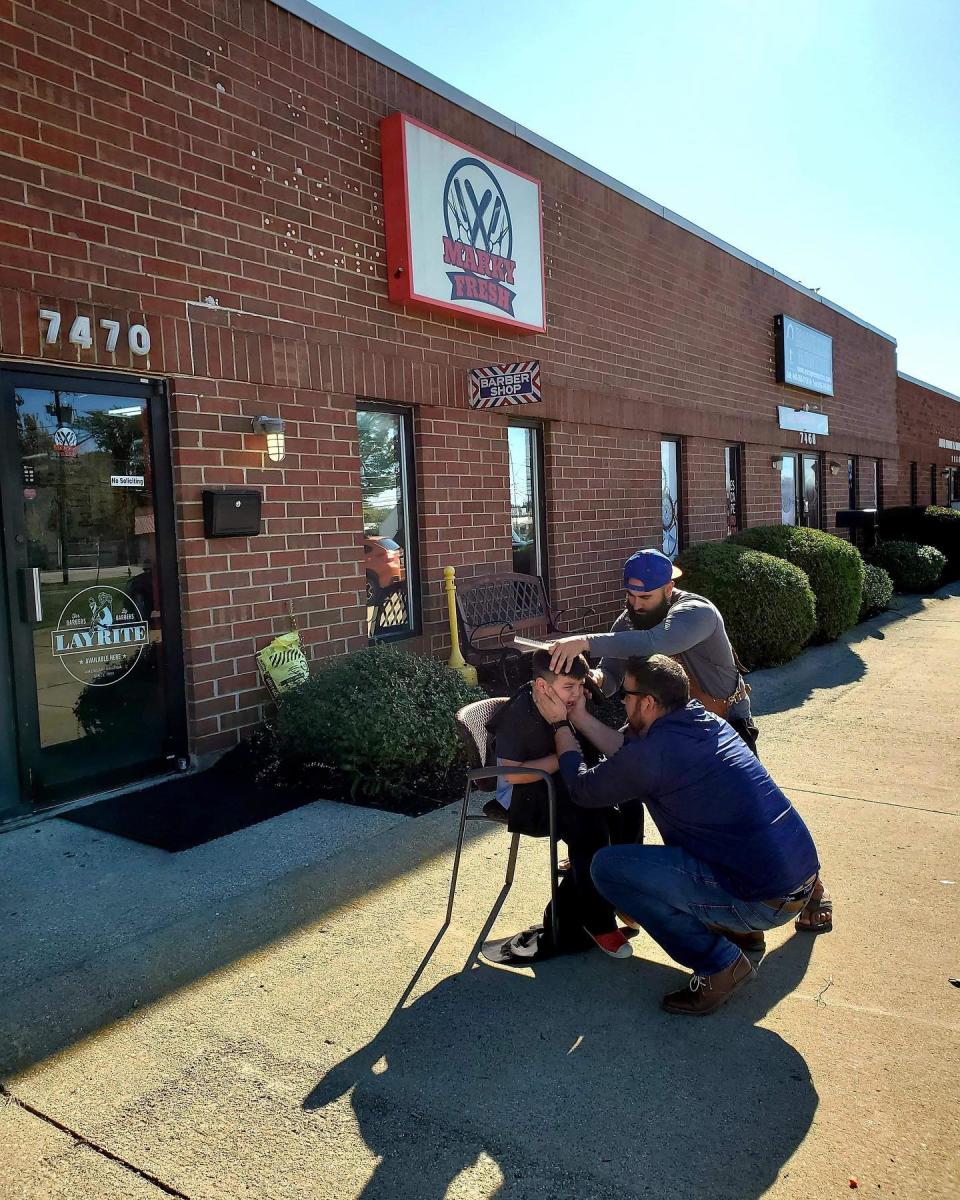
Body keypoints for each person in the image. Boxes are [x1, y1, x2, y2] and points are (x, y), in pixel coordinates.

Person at [547, 547, 833, 935]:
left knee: (745, 815)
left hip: (718, 726)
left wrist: (585, 641)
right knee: (664, 808)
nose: (635, 604)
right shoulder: (630, 619)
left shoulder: (696, 612)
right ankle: (658, 886)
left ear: (669, 587)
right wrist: (592, 681)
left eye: (644, 596)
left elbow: (655, 643)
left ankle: (810, 889)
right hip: (664, 734)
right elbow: (612, 672)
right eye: (629, 596)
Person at [531, 654, 823, 1014]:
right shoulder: (703, 723)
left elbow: (582, 789)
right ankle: (737, 930)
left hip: (764, 899)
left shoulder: (655, 754)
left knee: (609, 868)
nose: (621, 700)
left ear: (649, 702)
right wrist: (579, 717)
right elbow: (627, 753)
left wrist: (560, 725)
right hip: (797, 880)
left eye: (626, 694)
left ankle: (719, 964)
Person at [484, 650, 643, 966]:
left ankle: (620, 891)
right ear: (542, 687)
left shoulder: (572, 701)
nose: (578, 693)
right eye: (569, 687)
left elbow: (594, 748)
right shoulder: (519, 713)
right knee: (591, 821)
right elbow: (512, 774)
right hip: (523, 795)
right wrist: (563, 755)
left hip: (561, 782)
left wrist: (577, 720)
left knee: (628, 802)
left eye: (581, 685)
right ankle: (598, 921)